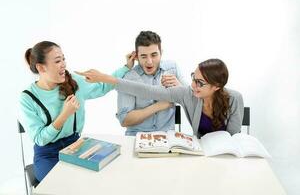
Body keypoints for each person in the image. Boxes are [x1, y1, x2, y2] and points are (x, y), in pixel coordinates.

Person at [18, 41, 134, 182]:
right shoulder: (27, 98)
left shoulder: (74, 82)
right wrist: (65, 114)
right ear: (41, 68)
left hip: (76, 146)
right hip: (48, 154)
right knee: (59, 185)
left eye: (63, 59)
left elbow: (102, 87)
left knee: (102, 177)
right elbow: (40, 139)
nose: (63, 64)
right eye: (57, 61)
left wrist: (126, 67)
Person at [76, 58, 244, 138]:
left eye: (199, 83)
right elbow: (146, 90)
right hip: (201, 151)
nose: (193, 85)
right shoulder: (187, 94)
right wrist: (105, 78)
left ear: (216, 87)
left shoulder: (235, 99)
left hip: (224, 153)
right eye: (193, 78)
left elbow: (233, 136)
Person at [117, 31, 187, 136]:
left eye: (154, 55)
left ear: (161, 53)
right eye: (144, 56)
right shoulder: (128, 77)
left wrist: (180, 88)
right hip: (136, 137)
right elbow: (124, 120)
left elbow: (192, 100)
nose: (149, 61)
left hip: (167, 137)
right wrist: (159, 106)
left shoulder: (173, 68)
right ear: (136, 56)